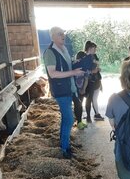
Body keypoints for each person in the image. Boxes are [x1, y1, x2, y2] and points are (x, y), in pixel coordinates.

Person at [43, 26, 85, 159]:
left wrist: (75, 64)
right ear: (53, 37)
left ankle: (64, 144)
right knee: (69, 118)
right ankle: (65, 149)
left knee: (66, 119)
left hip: (69, 87)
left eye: (63, 33)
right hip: (61, 90)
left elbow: (66, 66)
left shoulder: (64, 49)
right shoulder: (50, 52)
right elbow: (53, 73)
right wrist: (73, 72)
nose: (63, 36)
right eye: (60, 34)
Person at [84, 40, 104, 122]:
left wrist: (98, 70)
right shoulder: (84, 58)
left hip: (96, 79)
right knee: (89, 98)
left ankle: (97, 114)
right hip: (89, 81)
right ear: (89, 48)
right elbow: (84, 71)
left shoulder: (95, 56)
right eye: (94, 48)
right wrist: (92, 71)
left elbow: (97, 67)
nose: (95, 50)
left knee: (94, 98)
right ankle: (88, 116)